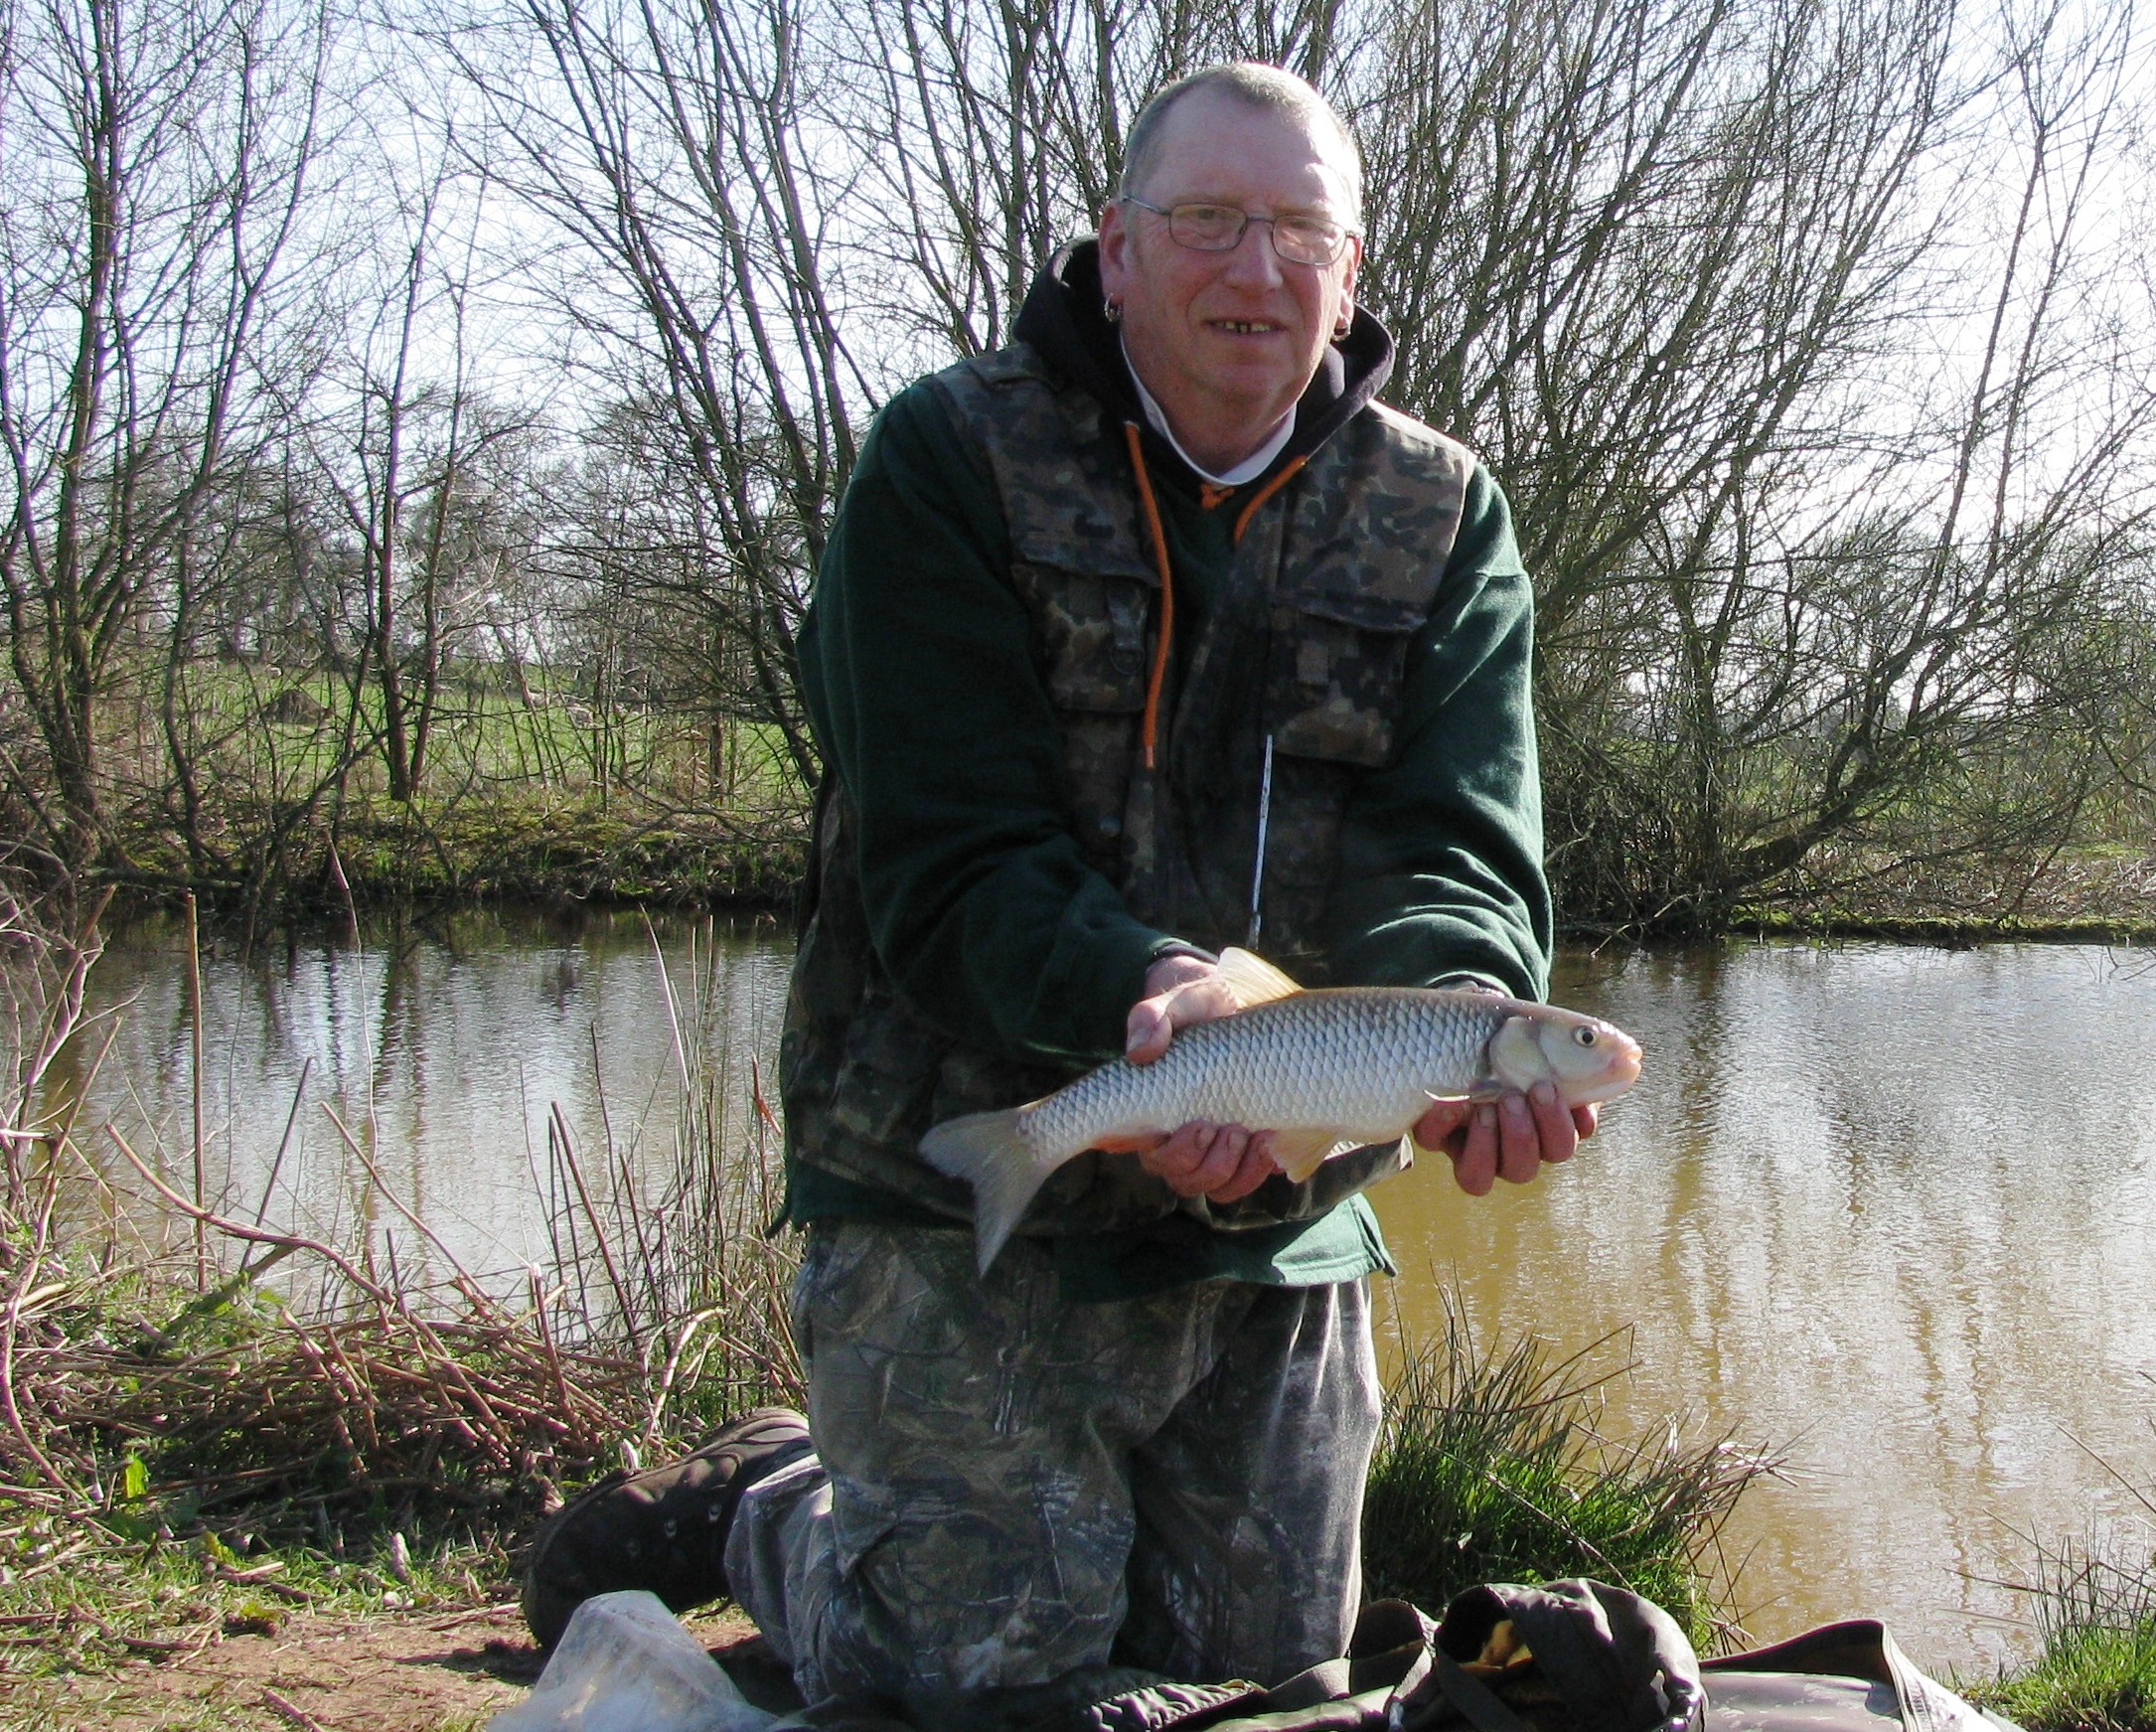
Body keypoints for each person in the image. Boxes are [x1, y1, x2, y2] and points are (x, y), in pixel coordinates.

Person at [520, 60, 1598, 1716]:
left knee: (1267, 1695)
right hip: (951, 1170)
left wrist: (1458, 1009)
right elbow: (946, 860)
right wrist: (1152, 992)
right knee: (976, 1693)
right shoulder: (946, 460)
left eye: (1301, 231)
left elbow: (1458, 845)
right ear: (1113, 251)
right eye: (1208, 222)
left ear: (1352, 272)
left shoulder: (1441, 511)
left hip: (1278, 1207)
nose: (1257, 272)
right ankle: (770, 1505)